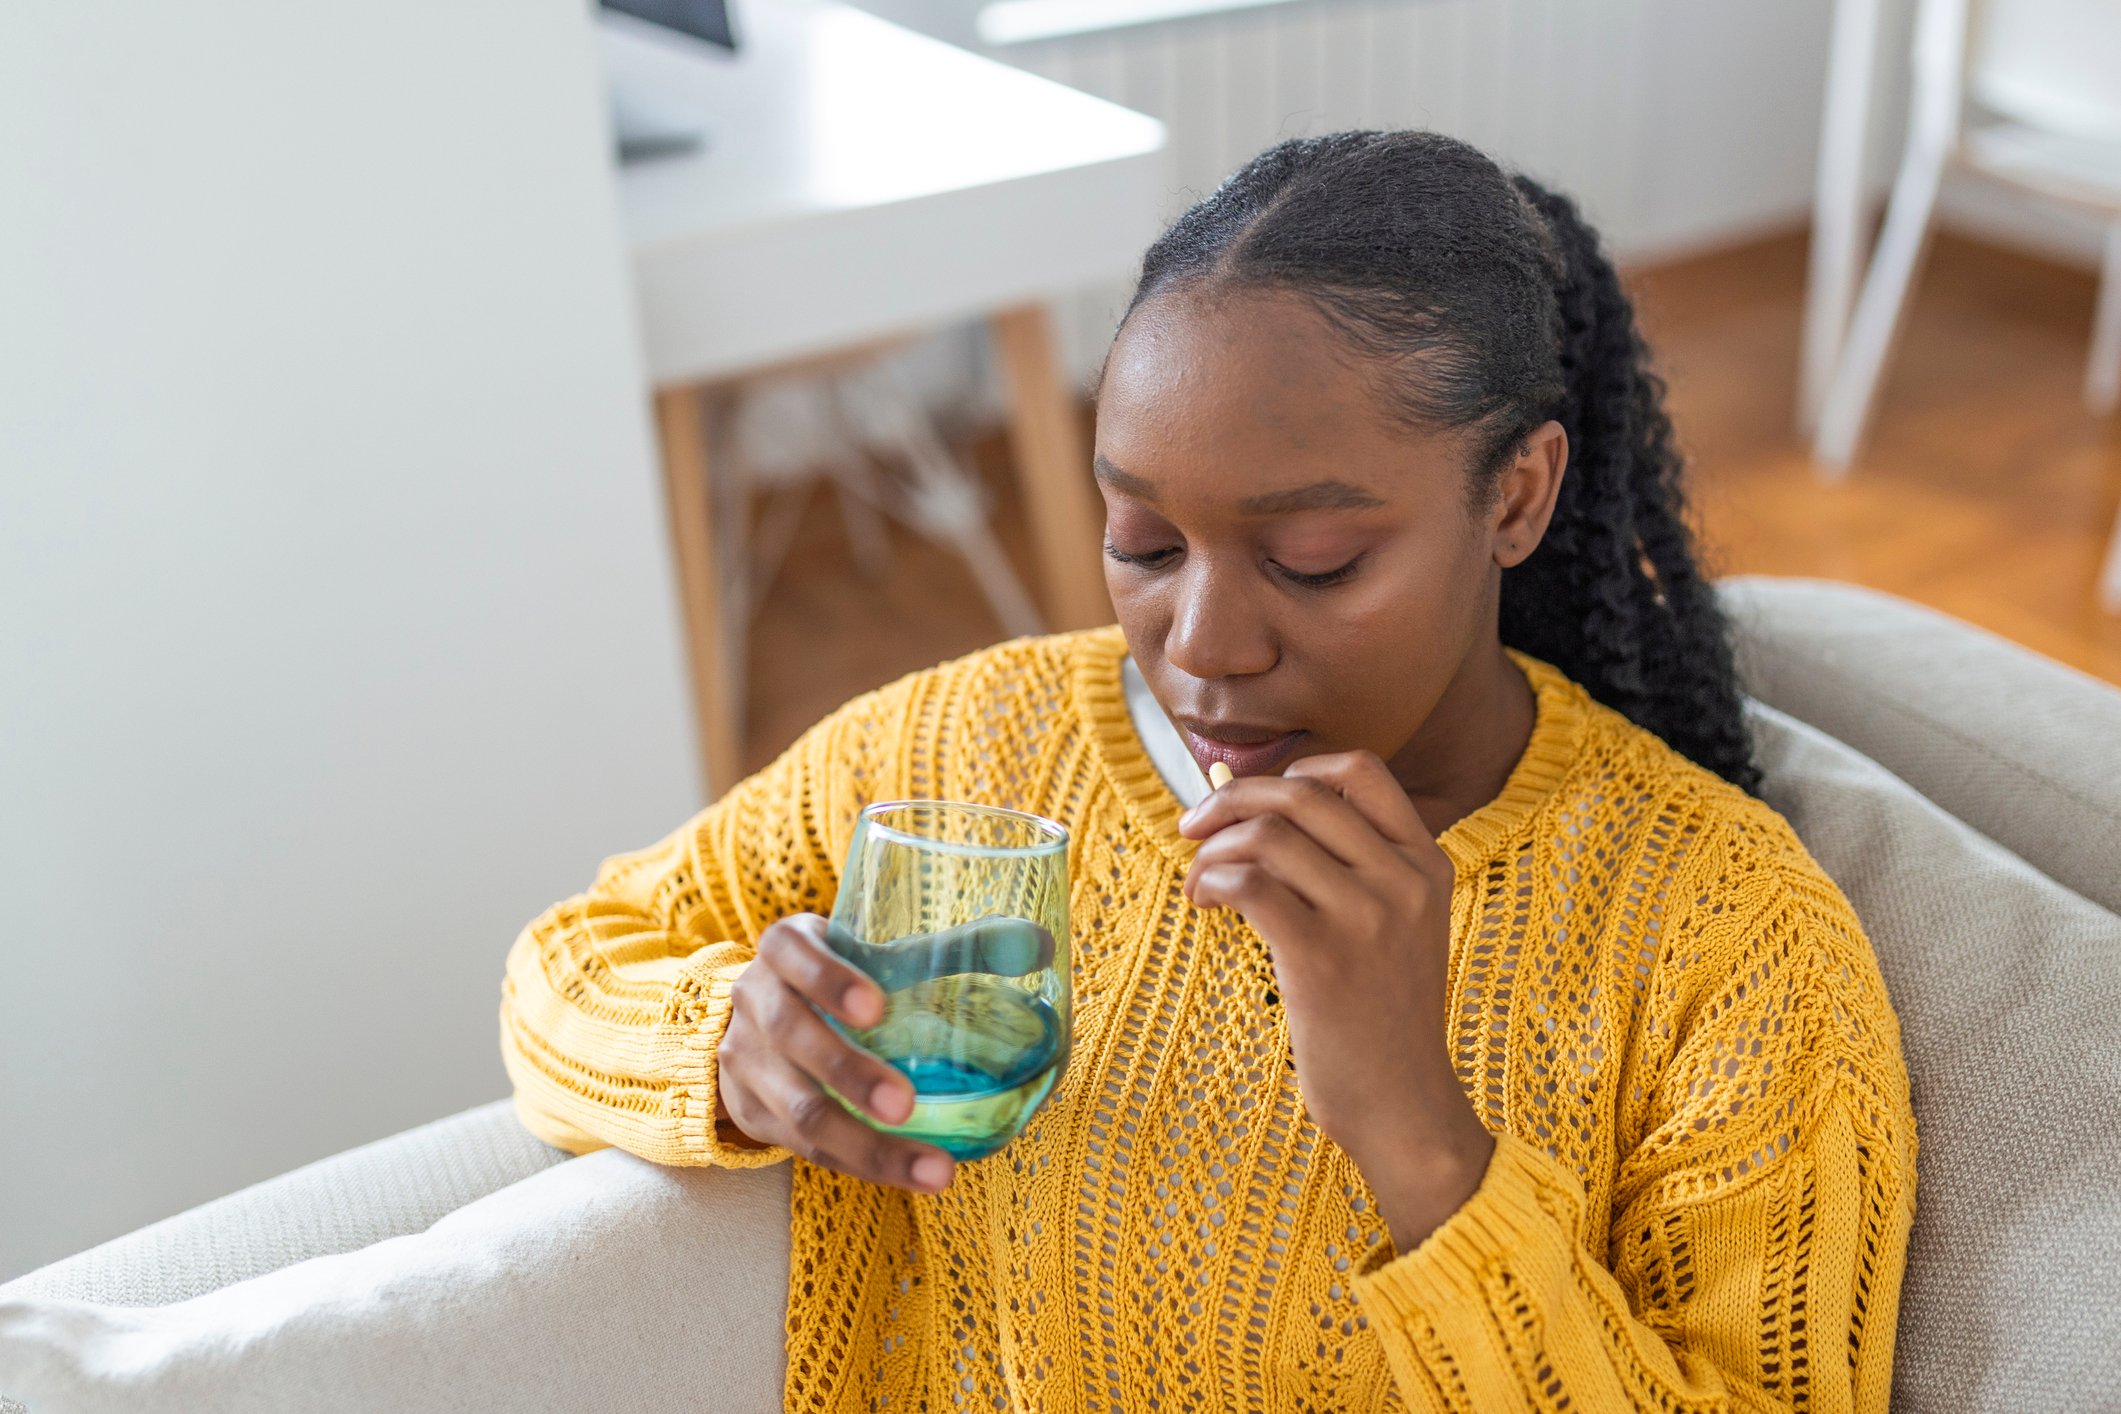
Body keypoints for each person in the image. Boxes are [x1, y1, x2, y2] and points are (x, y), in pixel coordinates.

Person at [500, 130, 1916, 1411]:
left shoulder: (1724, 938)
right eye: (1144, 544)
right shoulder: (968, 752)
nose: (1201, 646)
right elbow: (566, 969)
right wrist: (733, 1051)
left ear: (1515, 496)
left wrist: (1423, 1143)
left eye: (1313, 561)